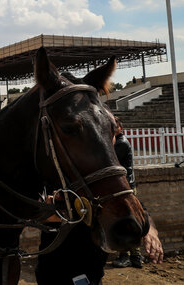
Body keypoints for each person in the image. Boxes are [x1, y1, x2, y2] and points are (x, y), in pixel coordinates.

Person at [35, 116, 164, 284]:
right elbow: (31, 210)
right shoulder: (52, 165)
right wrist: (52, 212)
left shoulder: (104, 171)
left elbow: (133, 204)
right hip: (55, 271)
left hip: (93, 271)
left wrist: (150, 230)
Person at [112, 117, 142, 268]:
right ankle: (135, 257)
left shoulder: (121, 143)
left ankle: (126, 256)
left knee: (125, 220)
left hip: (125, 187)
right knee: (128, 220)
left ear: (120, 128)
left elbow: (111, 159)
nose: (113, 127)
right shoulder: (119, 142)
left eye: (115, 126)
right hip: (125, 186)